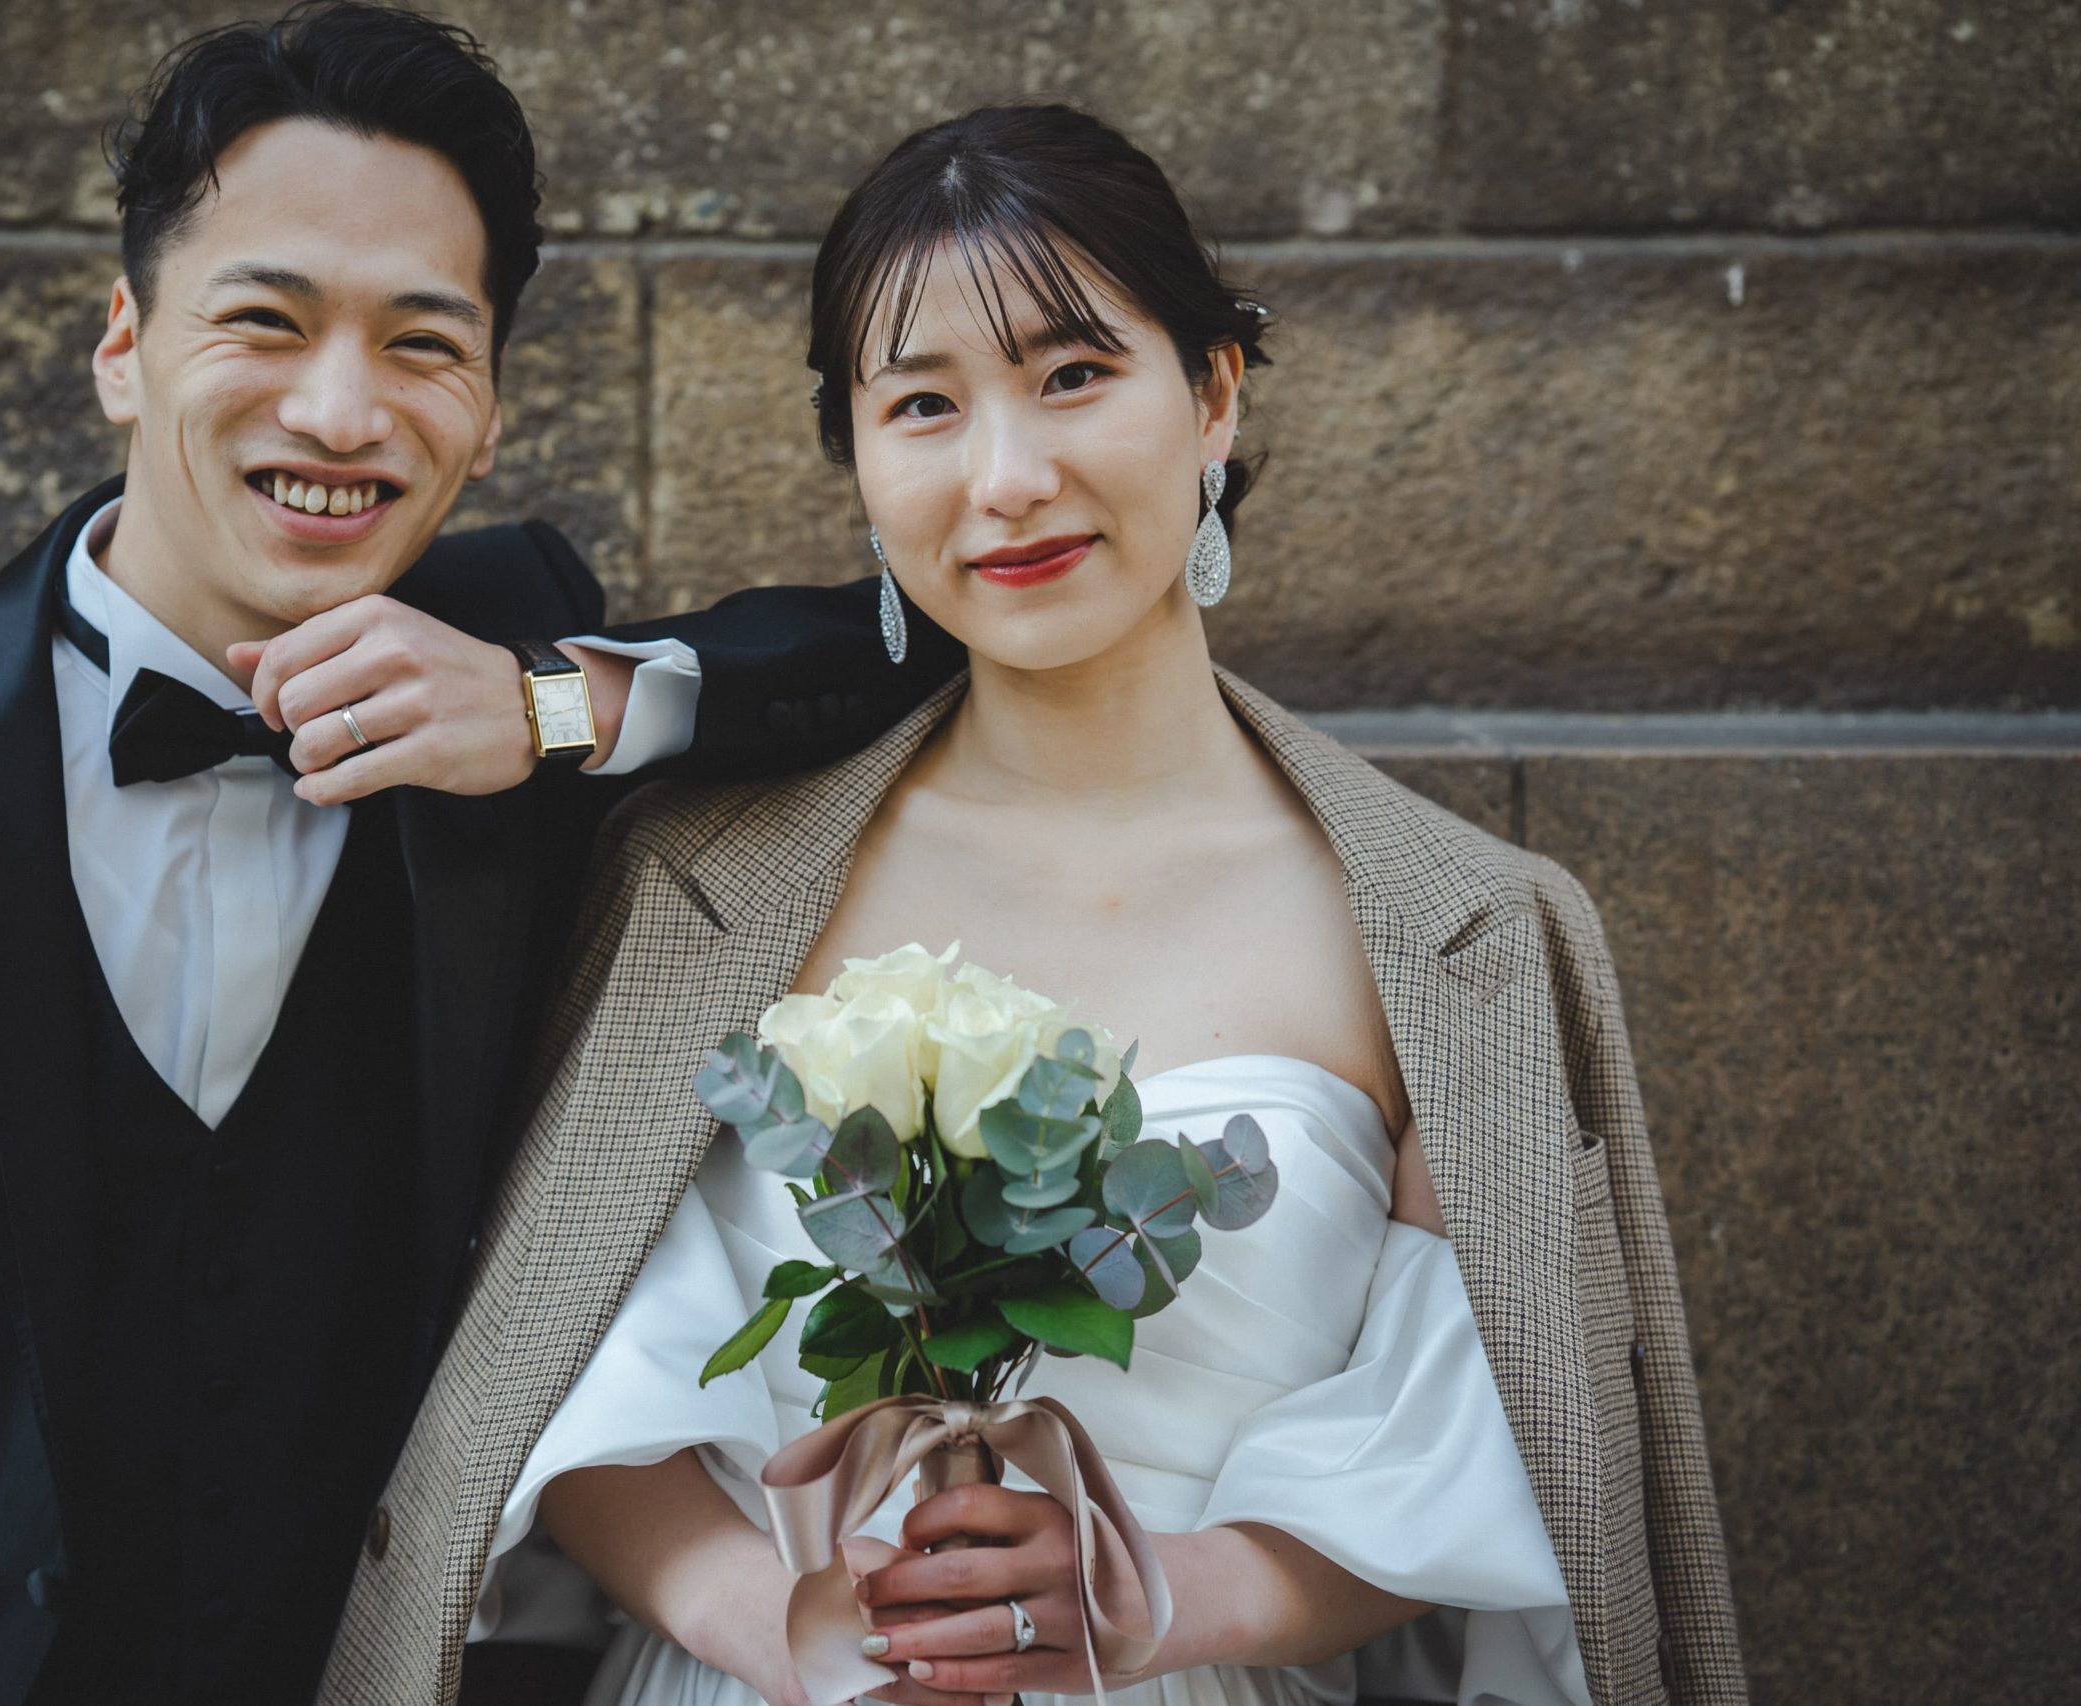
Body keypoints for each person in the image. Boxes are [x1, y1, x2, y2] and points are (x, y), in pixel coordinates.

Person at [0, 8, 965, 1704]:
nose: (341, 410)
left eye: (423, 343)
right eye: (265, 320)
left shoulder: (514, 669)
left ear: (491, 408)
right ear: (123, 344)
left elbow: (921, 630)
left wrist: (549, 708)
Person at [322, 105, 1744, 1706]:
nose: (1007, 479)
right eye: (923, 405)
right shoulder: (693, 883)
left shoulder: (1459, 938)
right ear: (862, 465)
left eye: (1073, 376)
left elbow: (1476, 1453)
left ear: (1213, 396)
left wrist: (1150, 1597)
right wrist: (784, 1626)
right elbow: (556, 1364)